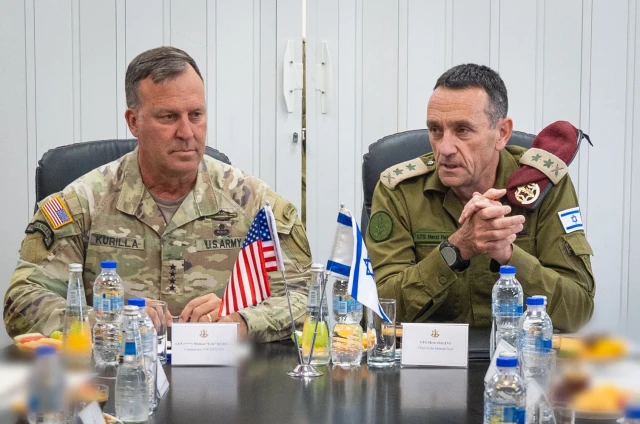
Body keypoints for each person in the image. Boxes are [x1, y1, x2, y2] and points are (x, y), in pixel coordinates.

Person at [4, 47, 311, 342]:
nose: (187, 132)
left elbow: (304, 295)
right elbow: (22, 300)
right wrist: (107, 322)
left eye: (196, 115)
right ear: (133, 122)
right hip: (113, 369)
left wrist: (242, 322)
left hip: (223, 372)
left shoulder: (252, 203)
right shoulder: (83, 203)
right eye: (168, 117)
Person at [365, 64, 595, 332]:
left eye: (462, 130)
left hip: (520, 351)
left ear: (502, 133)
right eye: (435, 130)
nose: (445, 148)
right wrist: (456, 248)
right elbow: (380, 311)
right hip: (430, 351)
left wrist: (508, 255)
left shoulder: (543, 185)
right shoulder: (400, 190)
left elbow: (578, 310)